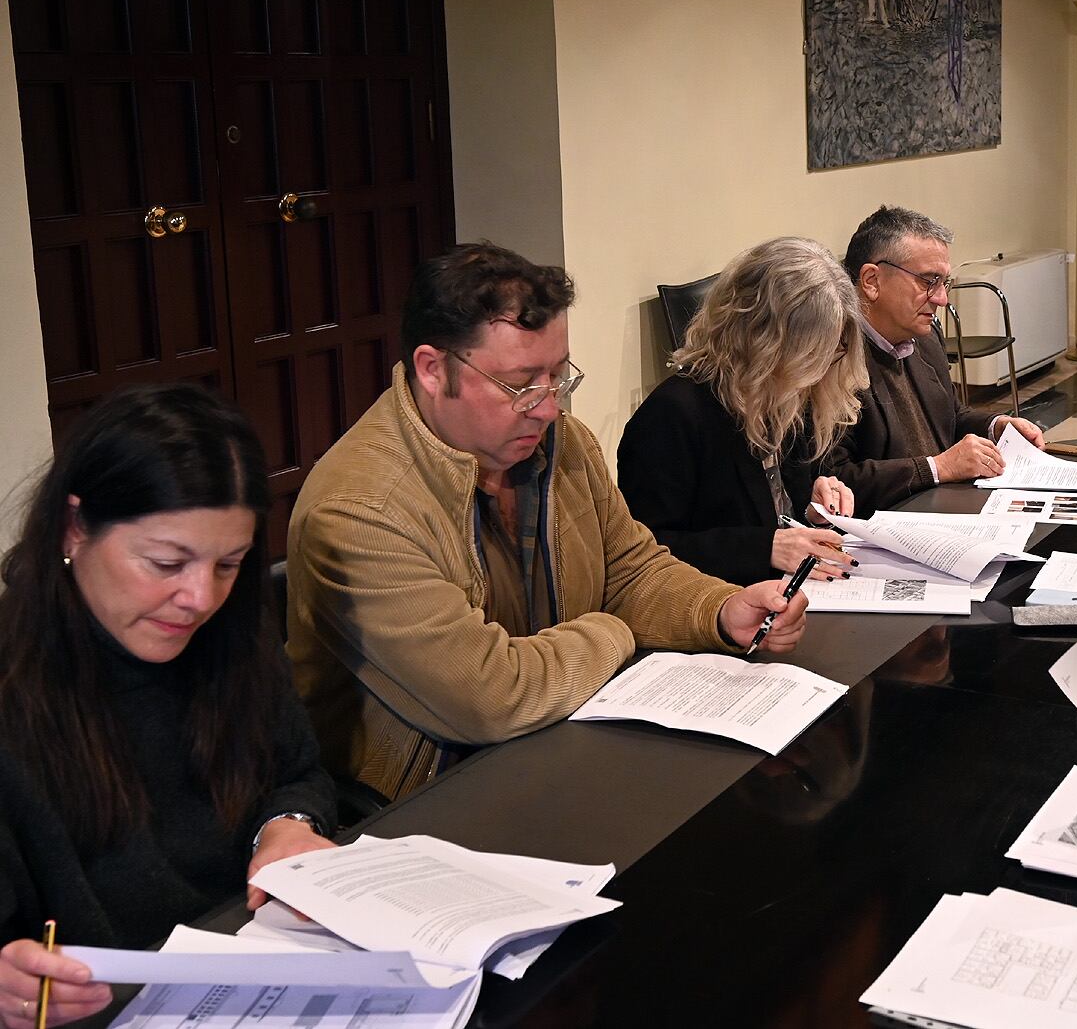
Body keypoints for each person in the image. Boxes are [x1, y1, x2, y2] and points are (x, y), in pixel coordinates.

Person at [288, 243, 809, 801]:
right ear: (433, 370)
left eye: (558, 377)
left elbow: (631, 571)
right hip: (426, 802)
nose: (548, 407)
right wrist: (613, 631)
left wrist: (720, 609)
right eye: (521, 385)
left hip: (561, 741)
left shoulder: (563, 445)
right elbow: (490, 696)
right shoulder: (360, 511)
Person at [0, 384, 337, 1027]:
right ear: (75, 527)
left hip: (256, 973)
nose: (200, 599)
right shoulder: (16, 694)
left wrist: (287, 824)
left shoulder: (229, 631)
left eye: (229, 564)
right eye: (165, 563)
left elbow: (296, 772)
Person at [618, 238, 868, 585]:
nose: (821, 369)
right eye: (811, 353)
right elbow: (644, 553)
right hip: (717, 601)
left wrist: (814, 506)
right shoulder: (671, 416)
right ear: (764, 338)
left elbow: (777, 508)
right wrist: (764, 548)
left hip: (789, 587)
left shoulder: (788, 394)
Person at [827, 206, 1045, 513]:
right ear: (872, 281)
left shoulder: (925, 338)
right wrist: (938, 468)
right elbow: (833, 480)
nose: (941, 298)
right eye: (928, 281)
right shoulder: (831, 357)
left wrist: (997, 426)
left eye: (944, 282)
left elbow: (950, 415)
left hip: (944, 509)